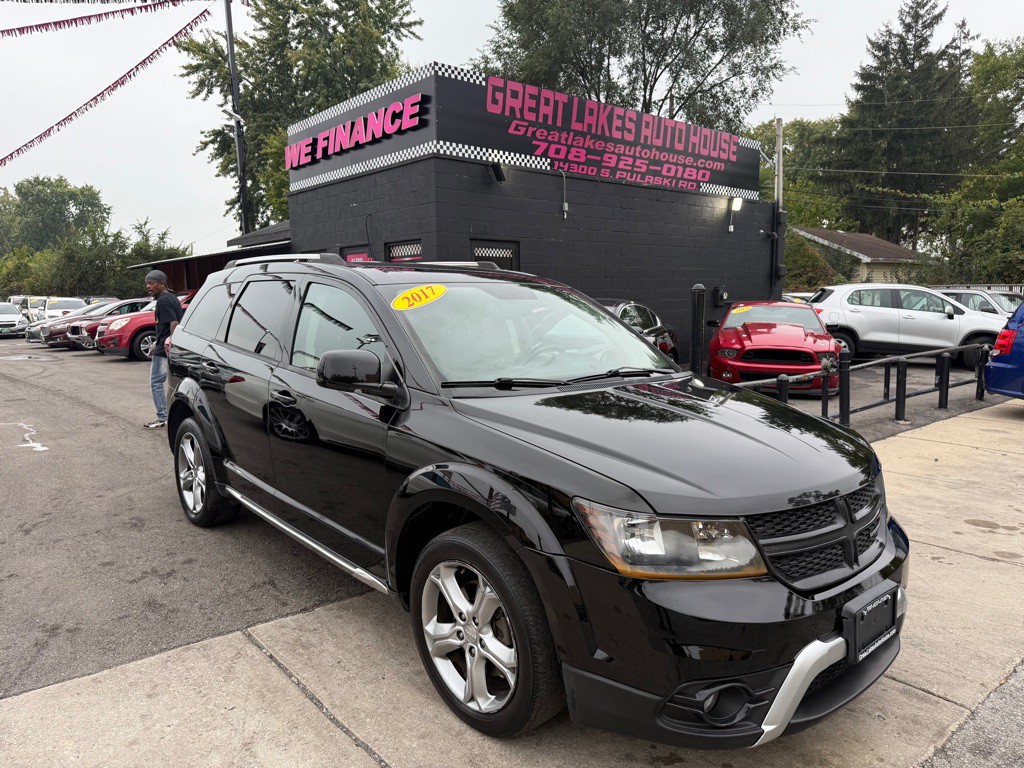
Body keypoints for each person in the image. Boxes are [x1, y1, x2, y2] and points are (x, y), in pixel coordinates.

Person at [143, 270, 183, 429]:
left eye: (151, 283)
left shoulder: (163, 300)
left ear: (161, 284)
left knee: (156, 382)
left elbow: (174, 323)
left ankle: (162, 417)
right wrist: (155, 344)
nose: (148, 286)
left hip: (165, 350)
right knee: (170, 383)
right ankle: (170, 416)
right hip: (164, 347)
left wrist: (168, 346)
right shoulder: (172, 297)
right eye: (147, 283)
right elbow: (166, 326)